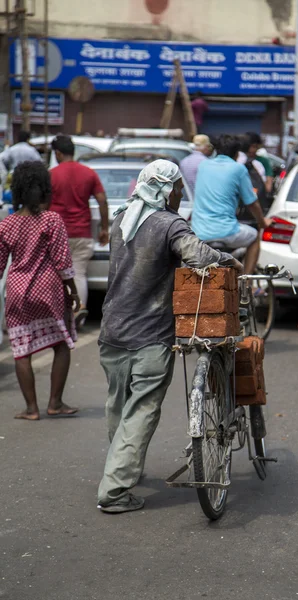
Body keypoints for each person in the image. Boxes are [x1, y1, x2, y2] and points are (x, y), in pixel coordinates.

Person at [97, 159, 241, 513]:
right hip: (149, 335)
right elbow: (198, 256)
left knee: (119, 403)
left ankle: (121, 467)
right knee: (142, 410)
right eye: (178, 188)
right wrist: (228, 260)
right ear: (166, 190)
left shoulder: (122, 218)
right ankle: (114, 491)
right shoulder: (168, 223)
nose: (180, 194)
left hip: (112, 330)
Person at [0, 161, 80, 420]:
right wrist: (73, 290)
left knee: (21, 350)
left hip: (17, 290)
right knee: (61, 345)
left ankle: (31, 408)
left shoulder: (6, 225)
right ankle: (55, 403)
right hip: (49, 289)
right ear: (46, 189)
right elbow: (62, 261)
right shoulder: (52, 220)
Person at [191, 135, 274, 274]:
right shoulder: (238, 169)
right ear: (237, 154)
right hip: (226, 232)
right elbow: (252, 203)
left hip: (199, 232)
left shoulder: (203, 165)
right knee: (254, 237)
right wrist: (262, 222)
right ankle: (246, 281)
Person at [50, 134, 109, 328]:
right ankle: (77, 316)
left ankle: (59, 319)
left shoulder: (52, 174)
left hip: (57, 233)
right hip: (82, 232)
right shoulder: (89, 173)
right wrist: (104, 228)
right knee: (79, 273)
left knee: (57, 275)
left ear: (58, 153)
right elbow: (102, 200)